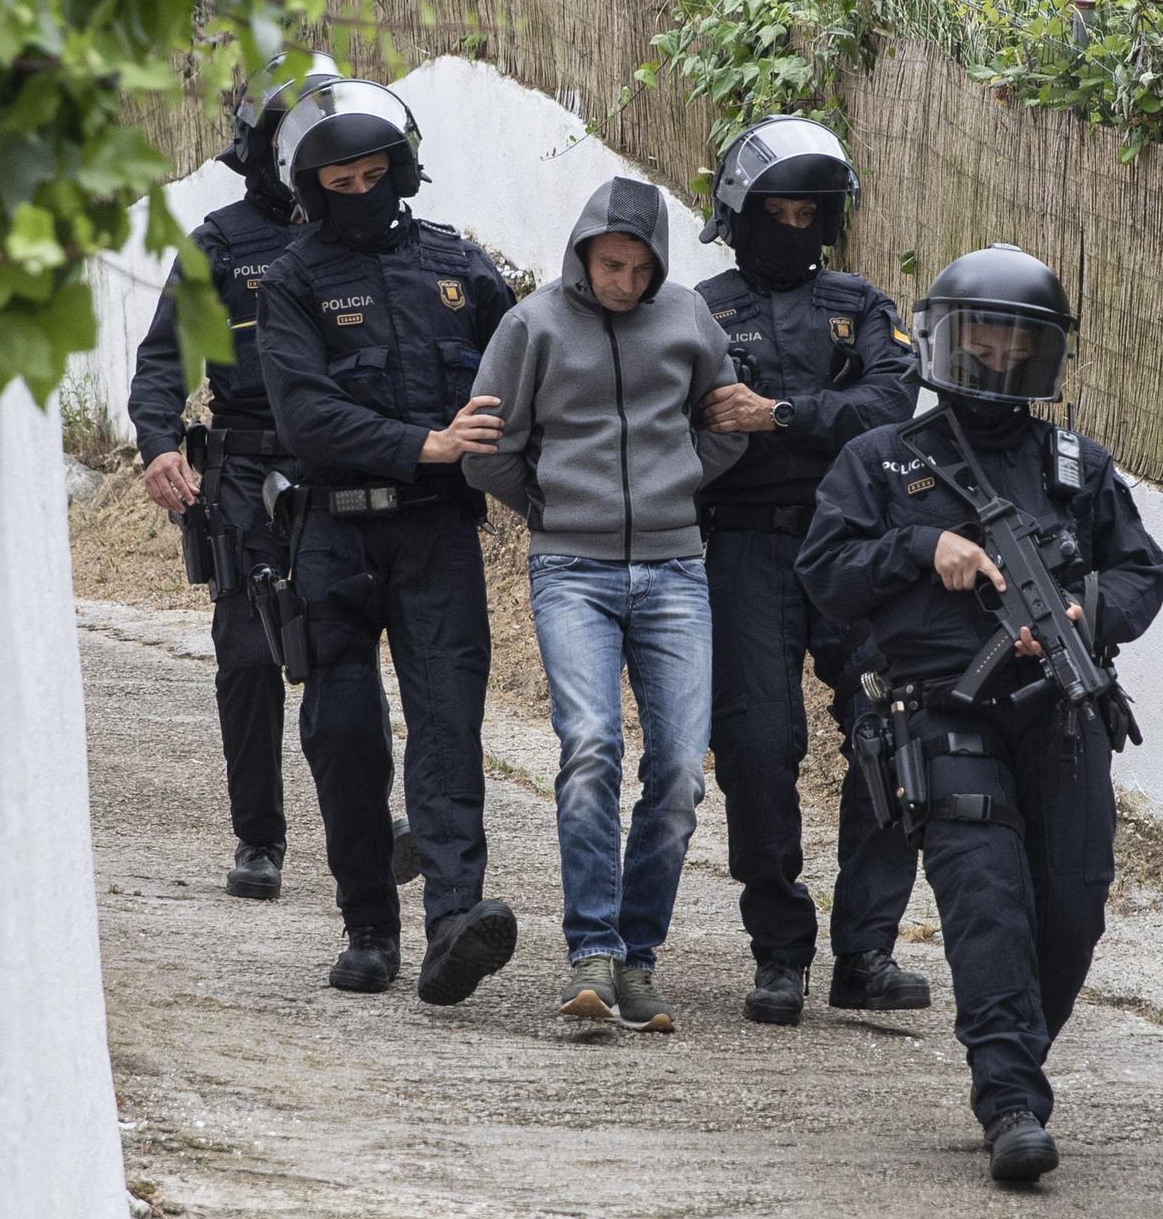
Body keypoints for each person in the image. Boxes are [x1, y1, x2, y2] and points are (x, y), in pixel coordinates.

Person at [796, 244, 1163, 1182]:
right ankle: (1008, 1097)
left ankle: (1018, 1055)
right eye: (984, 336)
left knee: (1074, 906)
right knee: (987, 898)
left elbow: (1143, 568)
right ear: (946, 340)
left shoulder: (1078, 465)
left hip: (1062, 715)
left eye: (1018, 340)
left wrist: (1088, 610)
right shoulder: (882, 458)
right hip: (941, 712)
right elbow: (825, 573)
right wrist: (924, 549)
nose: (998, 356)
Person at [127, 52, 424, 902]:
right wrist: (158, 445)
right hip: (249, 469)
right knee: (251, 656)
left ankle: (369, 822)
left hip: (344, 465)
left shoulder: (369, 230)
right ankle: (260, 838)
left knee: (345, 649)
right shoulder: (221, 242)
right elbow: (162, 361)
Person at [256, 78, 518, 1003]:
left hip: (439, 535)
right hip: (330, 536)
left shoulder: (463, 266)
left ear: (400, 169)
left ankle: (455, 921)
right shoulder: (289, 281)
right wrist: (425, 443)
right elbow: (306, 413)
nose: (359, 188)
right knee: (347, 736)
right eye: (339, 176)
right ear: (309, 183)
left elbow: (528, 363)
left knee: (448, 723)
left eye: (374, 172)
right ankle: (369, 923)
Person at [463, 176, 746, 1031]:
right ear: (583, 251)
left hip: (676, 571)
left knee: (679, 775)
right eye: (609, 263)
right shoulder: (532, 324)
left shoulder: (690, 319)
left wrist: (684, 479)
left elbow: (726, 420)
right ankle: (592, 949)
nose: (623, 281)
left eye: (638, 267)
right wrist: (550, 507)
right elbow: (487, 447)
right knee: (590, 747)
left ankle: (638, 959)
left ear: (661, 264)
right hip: (571, 573)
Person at [692, 116, 927, 1025]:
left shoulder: (863, 302)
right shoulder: (696, 308)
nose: (792, 225)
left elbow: (890, 403)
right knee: (755, 746)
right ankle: (778, 950)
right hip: (746, 542)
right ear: (741, 213)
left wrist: (782, 413)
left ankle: (864, 950)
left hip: (859, 541)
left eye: (808, 211)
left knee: (888, 733)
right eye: (775, 209)